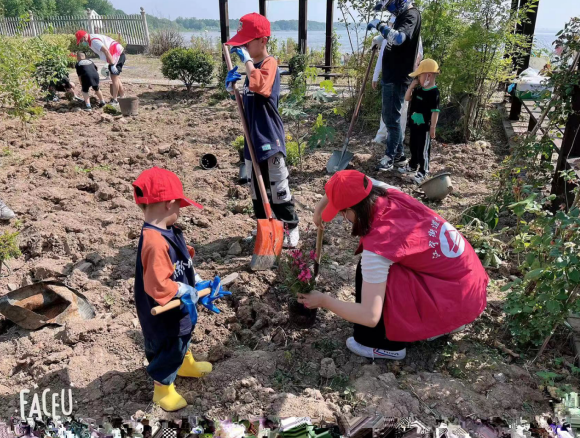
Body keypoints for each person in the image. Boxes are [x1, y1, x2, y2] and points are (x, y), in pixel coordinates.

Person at [301, 170, 488, 360]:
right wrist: (319, 210)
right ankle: (450, 322)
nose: (343, 218)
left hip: (457, 299)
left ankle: (382, 345)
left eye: (342, 212)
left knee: (369, 273)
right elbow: (345, 179)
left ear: (354, 210)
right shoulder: (385, 191)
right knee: (382, 270)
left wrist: (324, 301)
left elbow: (369, 316)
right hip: (468, 285)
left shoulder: (380, 244)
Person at [133, 167, 229, 411]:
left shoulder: (170, 231)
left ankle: (185, 365)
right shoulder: (154, 242)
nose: (180, 210)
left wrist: (196, 281)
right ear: (168, 203)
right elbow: (157, 284)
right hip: (162, 314)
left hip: (178, 307)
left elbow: (183, 260)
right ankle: (162, 390)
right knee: (169, 348)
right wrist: (183, 290)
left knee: (184, 334)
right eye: (179, 205)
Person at [224, 13, 300, 248]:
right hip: (252, 138)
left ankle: (290, 228)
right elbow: (249, 97)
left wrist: (247, 62)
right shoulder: (252, 68)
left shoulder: (269, 64)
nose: (244, 47)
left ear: (263, 40)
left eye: (247, 42)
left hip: (269, 136)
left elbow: (261, 86)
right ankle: (264, 228)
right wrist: (232, 90)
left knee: (278, 188)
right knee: (257, 191)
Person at [367, 0, 422, 172]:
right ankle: (399, 156)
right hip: (391, 74)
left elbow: (399, 39)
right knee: (389, 117)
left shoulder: (411, 15)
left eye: (390, 6)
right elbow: (392, 38)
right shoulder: (401, 16)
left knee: (392, 119)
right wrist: (381, 38)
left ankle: (389, 157)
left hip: (398, 76)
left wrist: (380, 26)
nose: (390, 11)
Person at [372, 26, 423, 145]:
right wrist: (375, 75)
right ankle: (381, 136)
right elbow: (382, 56)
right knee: (386, 109)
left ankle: (398, 139)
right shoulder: (389, 34)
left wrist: (413, 75)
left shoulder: (413, 34)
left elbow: (419, 55)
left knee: (401, 109)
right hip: (389, 77)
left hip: (404, 79)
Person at [399, 58, 440, 184]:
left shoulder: (434, 93)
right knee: (413, 146)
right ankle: (412, 165)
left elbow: (435, 112)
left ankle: (423, 171)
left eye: (419, 76)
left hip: (424, 128)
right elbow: (407, 98)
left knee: (423, 150)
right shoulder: (418, 90)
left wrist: (433, 127)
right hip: (414, 126)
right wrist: (411, 86)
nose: (417, 79)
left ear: (428, 76)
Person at [75, 30, 126, 104]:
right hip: (113, 55)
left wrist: (112, 64)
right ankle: (122, 96)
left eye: (81, 40)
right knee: (115, 77)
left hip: (117, 54)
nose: (82, 42)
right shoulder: (91, 40)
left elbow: (106, 51)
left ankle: (115, 100)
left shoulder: (94, 41)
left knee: (114, 77)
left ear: (84, 36)